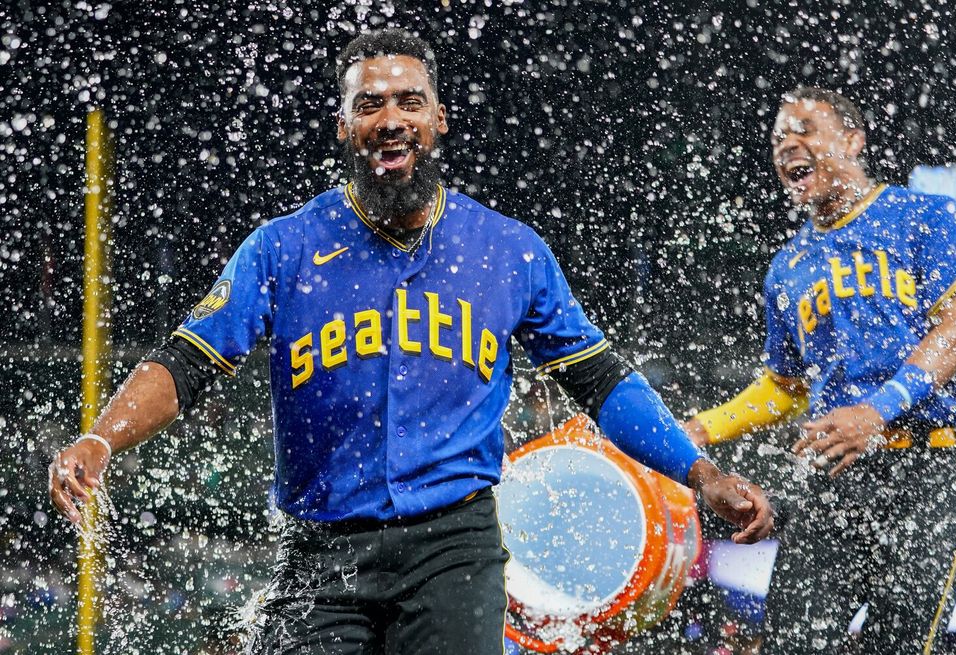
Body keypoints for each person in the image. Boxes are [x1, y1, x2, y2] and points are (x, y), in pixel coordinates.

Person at [49, 29, 773, 655]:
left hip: (452, 547)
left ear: (439, 121)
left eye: (408, 102)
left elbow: (603, 380)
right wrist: (102, 439)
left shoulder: (507, 250)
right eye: (369, 104)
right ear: (343, 127)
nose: (390, 119)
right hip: (320, 549)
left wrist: (699, 472)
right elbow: (187, 360)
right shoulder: (283, 248)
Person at [684, 87, 956, 654]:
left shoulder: (924, 215)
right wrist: (704, 428)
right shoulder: (787, 267)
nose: (787, 145)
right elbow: (785, 389)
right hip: (838, 476)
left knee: (899, 644)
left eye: (804, 129)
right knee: (792, 643)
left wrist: (878, 410)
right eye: (778, 138)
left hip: (934, 465)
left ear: (852, 140)